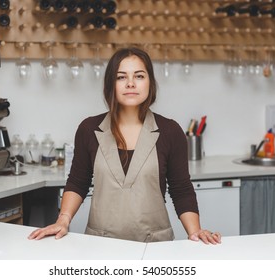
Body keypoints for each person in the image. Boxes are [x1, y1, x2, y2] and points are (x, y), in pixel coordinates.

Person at [28, 47, 221, 244]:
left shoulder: (170, 131)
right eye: (121, 77)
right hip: (100, 244)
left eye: (139, 76)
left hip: (155, 245)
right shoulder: (89, 129)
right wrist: (63, 220)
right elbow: (78, 182)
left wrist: (195, 231)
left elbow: (181, 189)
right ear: (111, 84)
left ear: (150, 83)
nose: (130, 83)